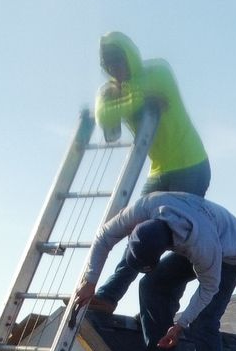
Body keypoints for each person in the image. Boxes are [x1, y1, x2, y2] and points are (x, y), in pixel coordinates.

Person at [74, 192, 236, 351]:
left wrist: (180, 325)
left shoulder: (203, 246)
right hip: (198, 228)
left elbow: (209, 288)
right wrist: (90, 282)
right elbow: (104, 236)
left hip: (230, 251)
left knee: (205, 322)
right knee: (151, 284)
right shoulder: (143, 208)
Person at [89, 31, 212, 314]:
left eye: (119, 63)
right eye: (109, 67)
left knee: (176, 233)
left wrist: (125, 99)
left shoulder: (157, 70)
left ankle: (162, 292)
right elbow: (104, 116)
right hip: (159, 170)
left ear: (130, 58)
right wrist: (129, 99)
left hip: (190, 165)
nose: (115, 71)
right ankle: (109, 295)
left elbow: (149, 94)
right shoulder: (111, 90)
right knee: (135, 229)